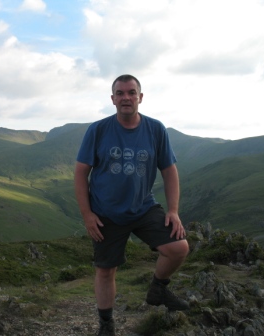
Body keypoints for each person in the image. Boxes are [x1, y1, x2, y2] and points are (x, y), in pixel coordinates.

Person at [74, 74, 189, 335]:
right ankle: (106, 323)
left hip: (143, 207)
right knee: (106, 270)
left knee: (178, 248)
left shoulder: (155, 128)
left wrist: (173, 210)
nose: (126, 97)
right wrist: (87, 215)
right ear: (113, 99)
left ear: (140, 97)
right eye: (120, 93)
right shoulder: (99, 129)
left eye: (131, 92)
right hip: (106, 213)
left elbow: (169, 170)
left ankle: (157, 289)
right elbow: (81, 172)